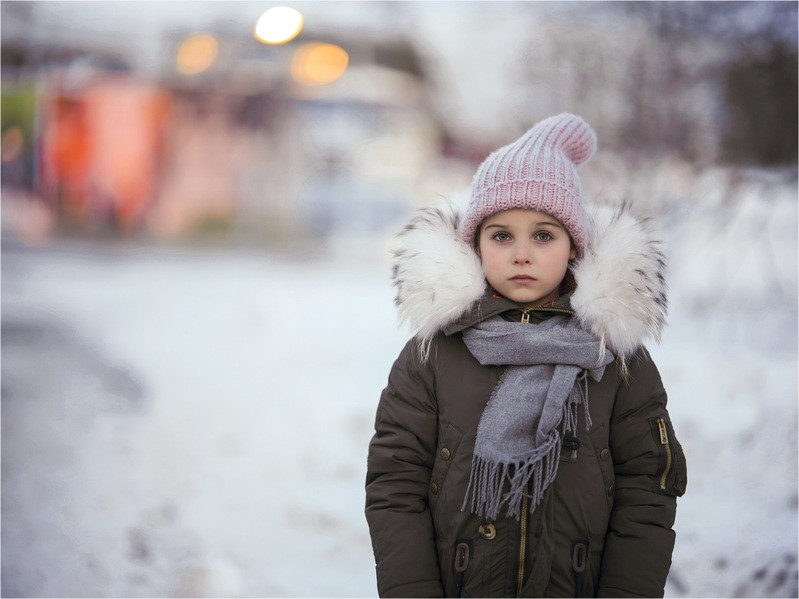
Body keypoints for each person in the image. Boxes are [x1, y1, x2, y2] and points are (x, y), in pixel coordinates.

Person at [365, 113, 687, 598]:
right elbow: (395, 484)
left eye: (543, 235)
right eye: (501, 236)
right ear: (474, 244)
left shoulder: (615, 360)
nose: (521, 254)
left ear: (574, 245)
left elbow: (647, 491)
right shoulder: (434, 354)